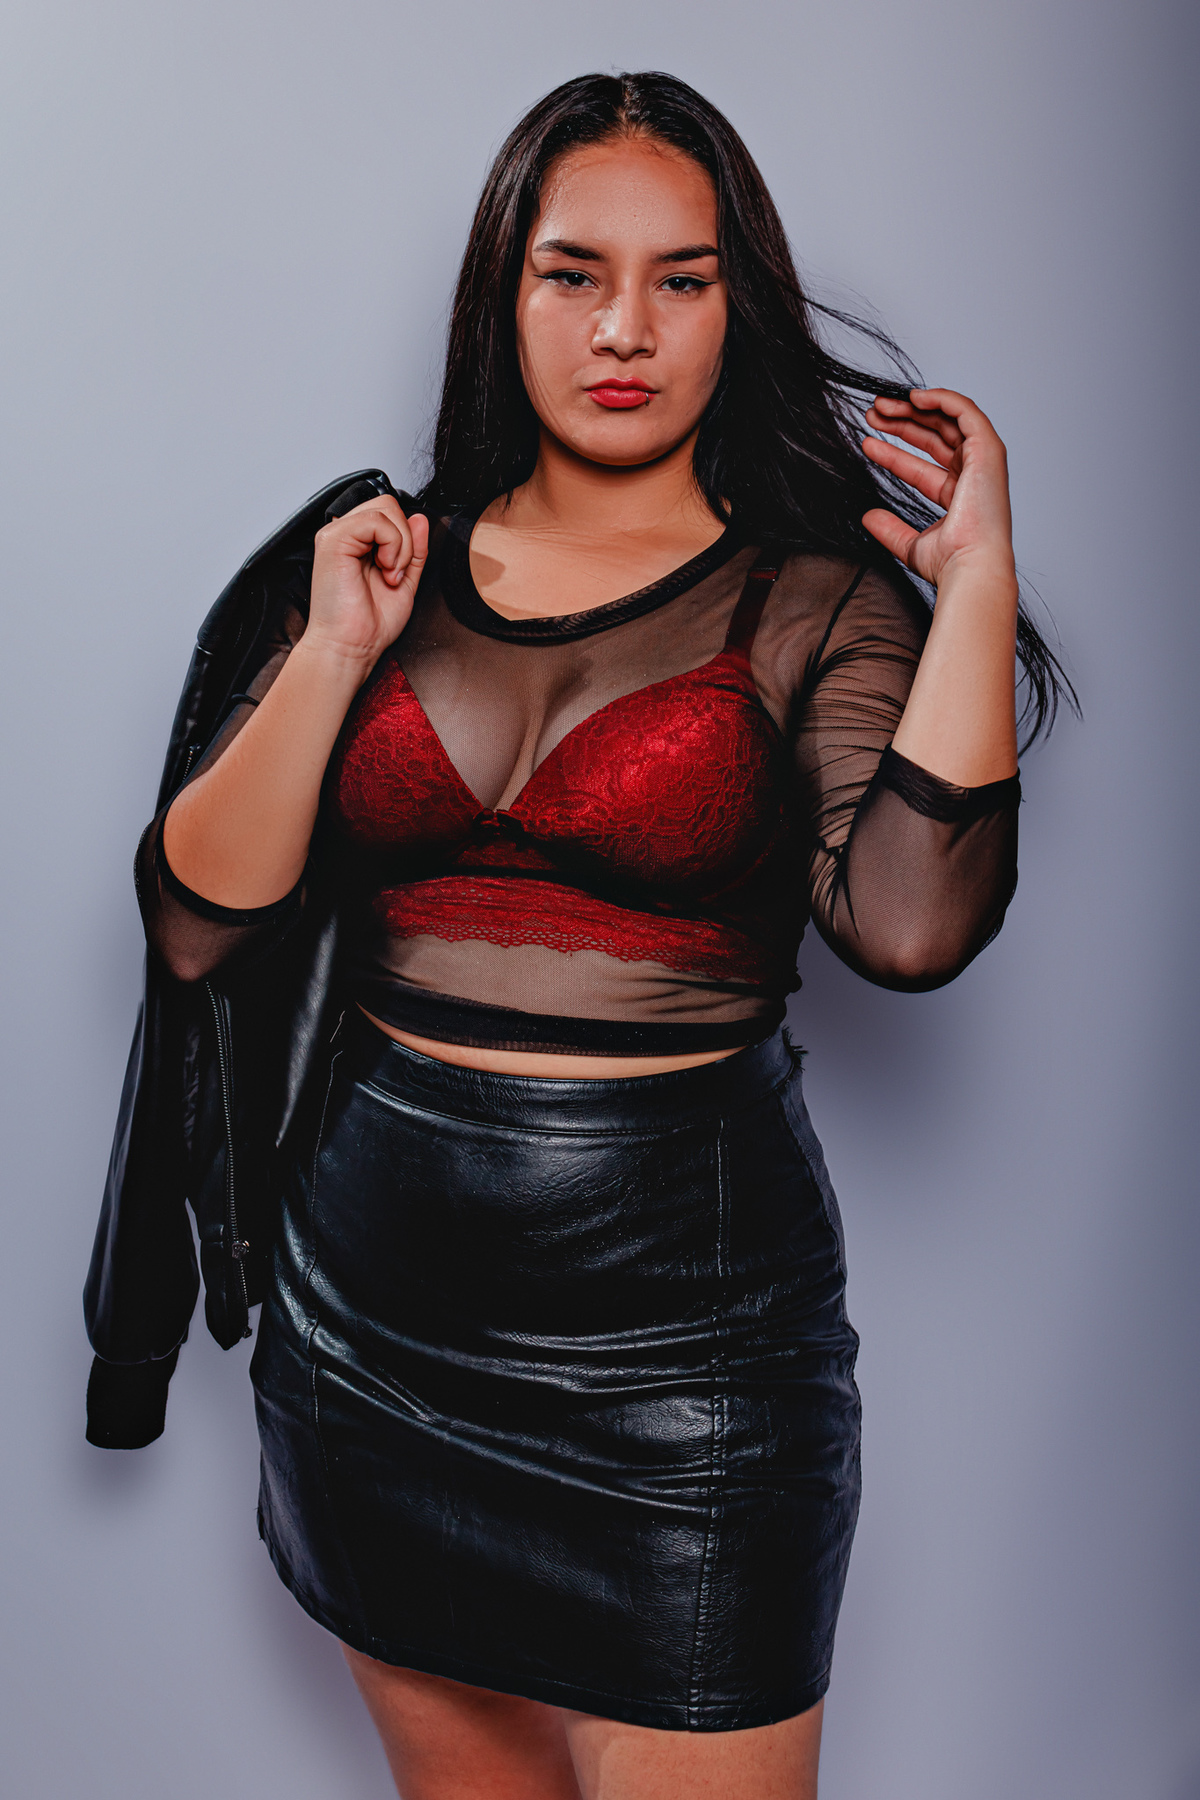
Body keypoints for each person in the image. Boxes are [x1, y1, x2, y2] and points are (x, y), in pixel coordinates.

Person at [89, 69, 1068, 1800]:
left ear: (735, 308)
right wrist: (334, 654)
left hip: (689, 1373)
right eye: (574, 274)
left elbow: (915, 927)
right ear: (507, 291)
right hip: (371, 1343)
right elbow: (190, 926)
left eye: (682, 279)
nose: (626, 328)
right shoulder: (379, 565)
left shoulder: (813, 601)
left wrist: (976, 582)